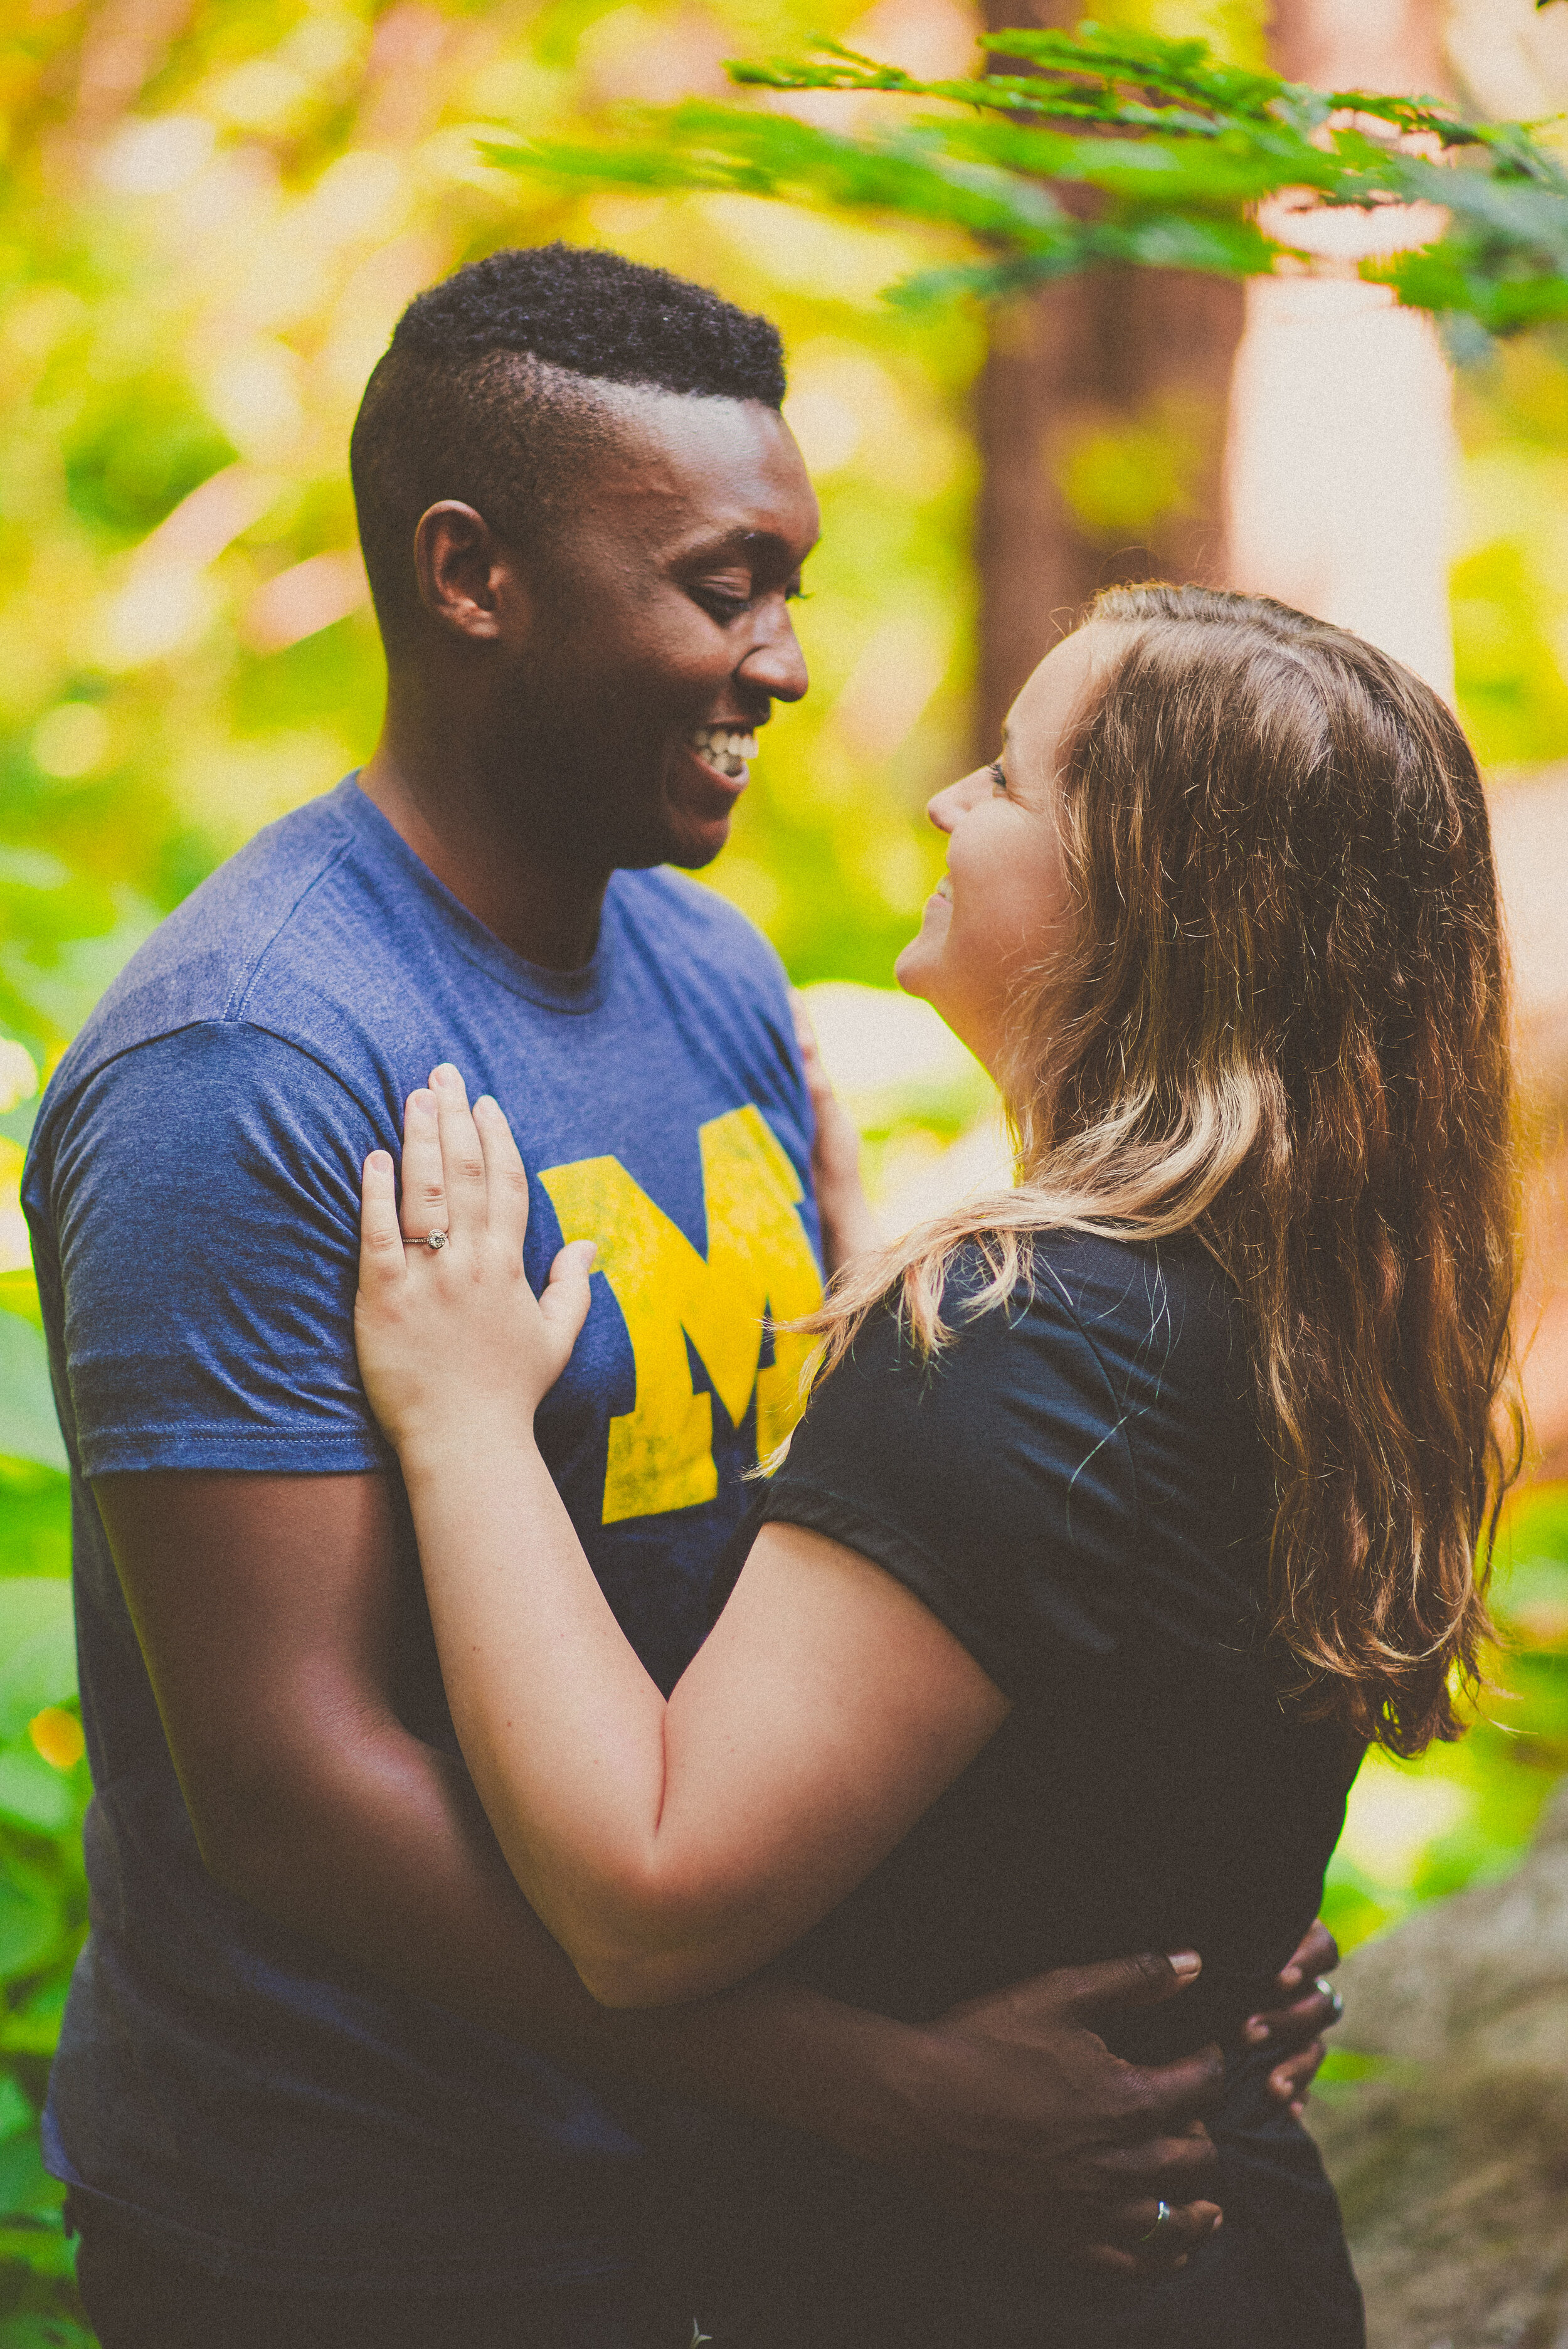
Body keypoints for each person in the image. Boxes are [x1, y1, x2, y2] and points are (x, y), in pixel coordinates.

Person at [24, 247, 1334, 2349]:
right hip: (365, 2230)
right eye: (723, 586)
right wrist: (880, 2088)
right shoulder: (249, 1065)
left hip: (709, 2186)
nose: (788, 661)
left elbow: (799, 1569)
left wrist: (1151, 1907)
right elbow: (289, 1787)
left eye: (790, 584)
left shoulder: (707, 970)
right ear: (472, 577)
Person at [354, 585, 1518, 2348]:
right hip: (1219, 2262)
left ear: (1144, 897)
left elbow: (643, 1901)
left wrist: (460, 1417)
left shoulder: (1028, 1338)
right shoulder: (1306, 1291)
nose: (940, 806)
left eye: (1005, 776)